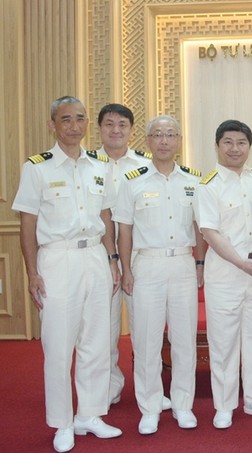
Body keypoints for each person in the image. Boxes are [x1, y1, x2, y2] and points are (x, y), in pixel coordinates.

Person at [13, 96, 122, 452]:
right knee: (59, 346)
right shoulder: (37, 168)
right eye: (65, 120)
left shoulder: (98, 164)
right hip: (57, 261)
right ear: (52, 125)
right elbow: (26, 223)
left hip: (94, 257)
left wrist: (111, 258)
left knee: (96, 342)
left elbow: (105, 216)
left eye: (79, 119)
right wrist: (32, 273)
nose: (73, 126)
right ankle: (62, 422)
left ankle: (90, 414)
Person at [113, 115, 205, 435]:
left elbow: (200, 228)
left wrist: (200, 264)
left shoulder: (194, 180)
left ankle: (182, 405)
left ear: (179, 140)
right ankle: (150, 406)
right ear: (148, 141)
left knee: (183, 341)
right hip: (146, 266)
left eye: (170, 134)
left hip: (182, 264)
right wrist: (126, 269)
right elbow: (123, 229)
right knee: (147, 341)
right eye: (158, 135)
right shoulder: (132, 179)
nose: (164, 140)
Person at [194, 120, 252, 429]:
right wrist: (240, 263)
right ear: (217, 146)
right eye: (228, 142)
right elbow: (210, 233)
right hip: (226, 274)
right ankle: (225, 405)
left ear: (249, 147)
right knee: (224, 343)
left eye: (241, 142)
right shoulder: (208, 185)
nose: (235, 148)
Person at [95, 103, 173, 412]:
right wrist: (111, 258)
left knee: (145, 330)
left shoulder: (145, 164)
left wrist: (124, 263)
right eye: (109, 124)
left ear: (131, 130)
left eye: (122, 125)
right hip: (97, 258)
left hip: (138, 261)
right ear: (99, 128)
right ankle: (108, 387)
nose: (116, 130)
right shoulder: (87, 164)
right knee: (103, 329)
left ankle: (151, 389)